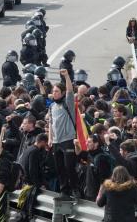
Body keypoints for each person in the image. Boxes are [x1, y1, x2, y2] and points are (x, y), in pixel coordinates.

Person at [50, 69, 79, 198]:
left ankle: (75, 189)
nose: (54, 93)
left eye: (56, 91)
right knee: (60, 168)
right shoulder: (51, 106)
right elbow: (50, 123)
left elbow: (70, 91)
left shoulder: (68, 103)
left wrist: (67, 76)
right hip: (56, 141)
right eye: (53, 91)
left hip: (68, 139)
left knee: (69, 166)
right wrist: (51, 138)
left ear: (61, 93)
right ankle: (64, 190)